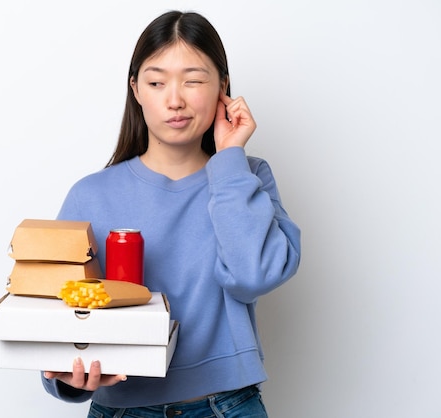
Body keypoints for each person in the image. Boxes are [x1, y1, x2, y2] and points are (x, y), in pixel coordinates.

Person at [41, 10, 301, 418]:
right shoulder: (90, 196)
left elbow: (253, 277)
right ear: (136, 90)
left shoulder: (247, 178)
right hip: (121, 408)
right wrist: (67, 379)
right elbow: (54, 316)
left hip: (226, 404)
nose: (174, 99)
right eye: (157, 82)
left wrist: (230, 157)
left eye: (194, 80)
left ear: (223, 88)